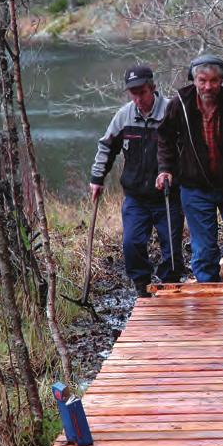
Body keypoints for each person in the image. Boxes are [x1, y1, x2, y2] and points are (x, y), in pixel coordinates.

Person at [155, 55, 223, 282]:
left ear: (222, 80)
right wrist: (165, 168)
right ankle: (208, 305)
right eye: (202, 80)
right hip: (194, 189)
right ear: (193, 80)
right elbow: (164, 139)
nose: (208, 86)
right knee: (203, 254)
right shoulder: (179, 105)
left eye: (214, 81)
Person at [90, 65, 185, 297]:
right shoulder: (124, 115)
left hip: (168, 196)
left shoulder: (171, 111)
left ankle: (169, 287)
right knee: (131, 245)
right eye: (133, 93)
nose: (138, 98)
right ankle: (142, 287)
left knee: (171, 248)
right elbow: (107, 146)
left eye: (142, 92)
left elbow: (188, 149)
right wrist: (97, 178)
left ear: (152, 88)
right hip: (135, 196)